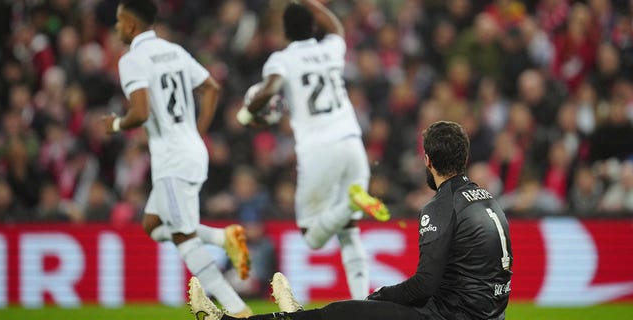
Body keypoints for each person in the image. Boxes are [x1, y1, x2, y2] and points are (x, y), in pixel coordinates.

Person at [189, 121, 514, 320]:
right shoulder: (488, 200)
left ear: (427, 160)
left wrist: (379, 295)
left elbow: (424, 284)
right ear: (465, 157)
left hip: (449, 317)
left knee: (342, 313)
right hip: (481, 314)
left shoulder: (440, 207)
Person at [103, 0, 253, 316]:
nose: (116, 27)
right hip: (191, 150)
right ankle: (221, 236)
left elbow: (140, 112)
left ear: (130, 24)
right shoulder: (175, 51)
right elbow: (211, 87)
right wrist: (196, 132)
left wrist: (116, 124)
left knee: (184, 237)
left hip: (172, 159)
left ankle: (237, 309)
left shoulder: (132, 60)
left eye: (119, 21)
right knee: (153, 224)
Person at [235, 0, 390, 300]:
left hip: (319, 149)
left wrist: (248, 112)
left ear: (284, 31)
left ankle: (351, 203)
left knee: (312, 236)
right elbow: (337, 28)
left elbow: (268, 90)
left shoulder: (282, 59)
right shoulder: (330, 48)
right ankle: (361, 302)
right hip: (351, 141)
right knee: (349, 230)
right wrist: (311, 4)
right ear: (313, 26)